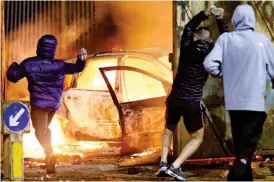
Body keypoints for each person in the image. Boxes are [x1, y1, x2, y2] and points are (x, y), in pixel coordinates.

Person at [157, 6, 228, 181]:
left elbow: (189, 26)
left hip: (174, 98)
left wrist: (205, 13)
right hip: (191, 102)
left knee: (168, 130)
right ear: (210, 42)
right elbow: (227, 41)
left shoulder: (187, 46)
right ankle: (175, 166)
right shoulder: (212, 53)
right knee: (197, 138)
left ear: (195, 38)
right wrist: (220, 19)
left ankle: (164, 162)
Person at [204, 4, 274, 181]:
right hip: (257, 104)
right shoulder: (262, 40)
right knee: (245, 154)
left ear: (235, 20)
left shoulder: (226, 39)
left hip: (235, 105)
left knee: (242, 149)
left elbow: (209, 63)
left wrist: (223, 74)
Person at [6, 34, 87, 173]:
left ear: (39, 47)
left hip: (39, 106)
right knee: (45, 130)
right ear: (54, 49)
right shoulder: (60, 65)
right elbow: (77, 68)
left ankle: (50, 153)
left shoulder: (29, 63)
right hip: (53, 105)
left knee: (39, 132)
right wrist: (81, 59)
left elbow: (13, 77)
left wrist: (13, 65)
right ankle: (49, 158)